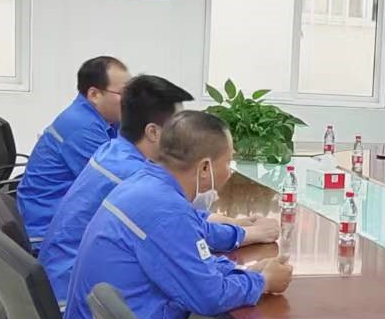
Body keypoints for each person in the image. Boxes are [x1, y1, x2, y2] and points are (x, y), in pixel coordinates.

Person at [63, 110, 293, 319]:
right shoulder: (164, 210)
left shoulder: (146, 185)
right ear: (204, 168)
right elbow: (209, 297)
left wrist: (241, 266)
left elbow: (193, 237)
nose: (229, 172)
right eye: (228, 162)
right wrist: (263, 282)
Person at [39, 75, 280, 303]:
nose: (185, 135)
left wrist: (237, 233)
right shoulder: (133, 175)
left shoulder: (120, 155)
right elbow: (180, 235)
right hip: (71, 292)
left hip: (88, 293)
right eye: (177, 127)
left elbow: (185, 226)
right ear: (153, 131)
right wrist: (258, 274)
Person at [18, 55, 129, 238]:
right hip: (47, 228)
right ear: (94, 95)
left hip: (56, 215)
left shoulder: (103, 119)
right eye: (123, 93)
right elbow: (120, 187)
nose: (130, 100)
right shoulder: (82, 127)